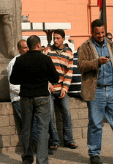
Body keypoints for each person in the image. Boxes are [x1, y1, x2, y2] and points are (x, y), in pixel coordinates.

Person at [78, 19, 113, 164]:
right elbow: (81, 66)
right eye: (98, 33)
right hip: (96, 91)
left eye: (103, 32)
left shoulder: (112, 45)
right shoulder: (85, 46)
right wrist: (96, 62)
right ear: (92, 32)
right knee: (95, 124)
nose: (101, 35)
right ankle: (94, 155)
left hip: (112, 89)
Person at [10, 36, 59, 164]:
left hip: (25, 97)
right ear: (38, 45)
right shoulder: (45, 59)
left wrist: (26, 80)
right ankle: (42, 160)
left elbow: (13, 80)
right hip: (42, 96)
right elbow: (55, 78)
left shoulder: (20, 60)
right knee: (43, 129)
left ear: (29, 45)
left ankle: (27, 157)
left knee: (26, 129)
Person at [43, 29, 76, 150]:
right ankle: (54, 141)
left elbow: (69, 72)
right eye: (54, 38)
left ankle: (69, 140)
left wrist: (65, 88)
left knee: (67, 113)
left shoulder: (68, 53)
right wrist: (48, 84)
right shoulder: (47, 51)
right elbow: (43, 69)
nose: (55, 40)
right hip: (50, 89)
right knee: (50, 115)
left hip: (62, 88)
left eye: (57, 38)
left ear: (63, 38)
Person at [7, 40, 34, 162]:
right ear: (19, 49)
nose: (27, 50)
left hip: (30, 97)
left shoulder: (31, 60)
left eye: (28, 47)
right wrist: (27, 90)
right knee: (27, 126)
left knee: (34, 125)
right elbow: (13, 85)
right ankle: (28, 153)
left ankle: (36, 148)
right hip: (19, 98)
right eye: (24, 48)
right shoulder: (13, 63)